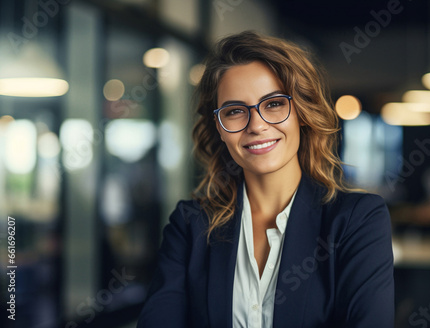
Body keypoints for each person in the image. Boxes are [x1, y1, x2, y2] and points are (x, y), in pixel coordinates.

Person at [137, 31, 394, 328]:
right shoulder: (189, 225)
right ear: (219, 128)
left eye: (273, 104)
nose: (257, 125)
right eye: (235, 111)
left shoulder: (357, 220)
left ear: (301, 112)